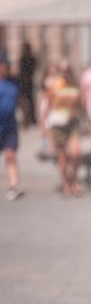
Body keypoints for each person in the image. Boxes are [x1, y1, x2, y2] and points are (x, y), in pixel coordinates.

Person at [45, 61, 83, 197]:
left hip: (72, 122)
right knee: (63, 156)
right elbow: (48, 105)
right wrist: (44, 126)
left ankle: (74, 179)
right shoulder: (55, 85)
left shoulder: (75, 85)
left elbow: (83, 104)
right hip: (58, 123)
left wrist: (89, 124)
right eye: (62, 70)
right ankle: (66, 183)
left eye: (67, 70)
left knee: (76, 153)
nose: (65, 73)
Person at [0, 54, 22, 200]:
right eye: (4, 65)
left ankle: (13, 186)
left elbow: (20, 100)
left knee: (10, 155)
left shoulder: (13, 82)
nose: (6, 68)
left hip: (10, 126)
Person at [17, 42, 37, 128]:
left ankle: (28, 119)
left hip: (25, 81)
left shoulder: (24, 59)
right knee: (28, 101)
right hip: (27, 81)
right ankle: (30, 118)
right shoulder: (31, 58)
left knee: (26, 101)